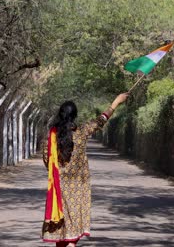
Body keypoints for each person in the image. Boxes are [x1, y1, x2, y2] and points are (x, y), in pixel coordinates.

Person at [41, 93, 130, 247]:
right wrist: (116, 102)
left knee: (62, 235)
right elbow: (101, 120)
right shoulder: (81, 131)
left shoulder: (51, 136)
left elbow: (47, 161)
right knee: (72, 237)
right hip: (78, 190)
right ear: (75, 116)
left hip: (59, 189)